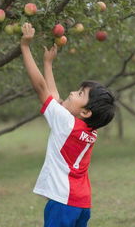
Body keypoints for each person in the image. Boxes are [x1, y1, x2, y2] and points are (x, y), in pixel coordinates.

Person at [20, 23, 115, 227]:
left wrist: (25, 47)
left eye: (79, 94)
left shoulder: (66, 124)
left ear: (86, 112)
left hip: (63, 202)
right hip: (82, 202)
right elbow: (55, 98)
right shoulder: (90, 129)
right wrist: (48, 64)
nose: (72, 93)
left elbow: (41, 88)